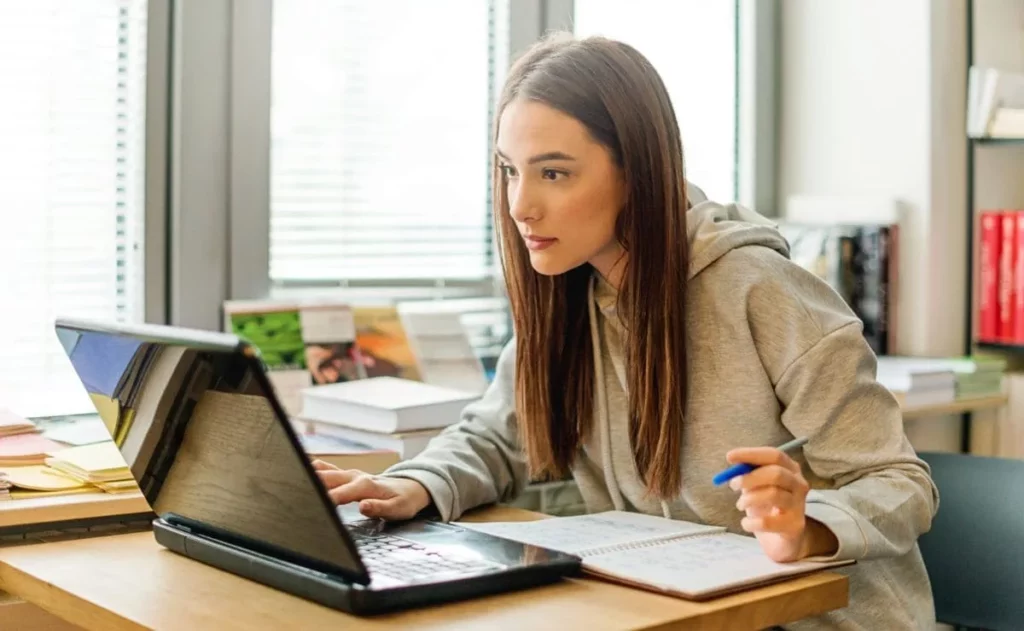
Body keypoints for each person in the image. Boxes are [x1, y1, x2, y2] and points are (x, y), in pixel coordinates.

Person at [313, 32, 939, 630]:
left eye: (553, 173)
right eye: (510, 170)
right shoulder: (568, 288)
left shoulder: (759, 288)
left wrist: (807, 525)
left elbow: (899, 482)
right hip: (673, 613)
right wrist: (412, 483)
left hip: (813, 620)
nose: (519, 205)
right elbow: (497, 437)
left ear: (637, 171)